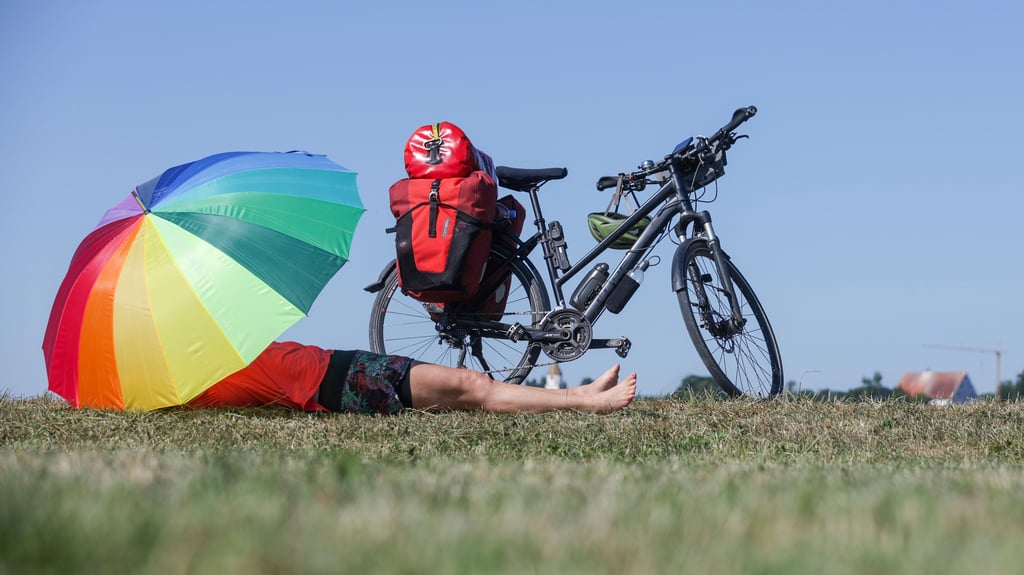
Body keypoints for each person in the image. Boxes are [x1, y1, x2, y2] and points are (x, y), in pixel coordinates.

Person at [187, 341, 637, 415]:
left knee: (468, 386)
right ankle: (583, 401)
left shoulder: (205, 350)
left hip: (343, 366)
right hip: (345, 384)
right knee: (471, 387)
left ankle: (579, 392)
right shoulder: (189, 380)